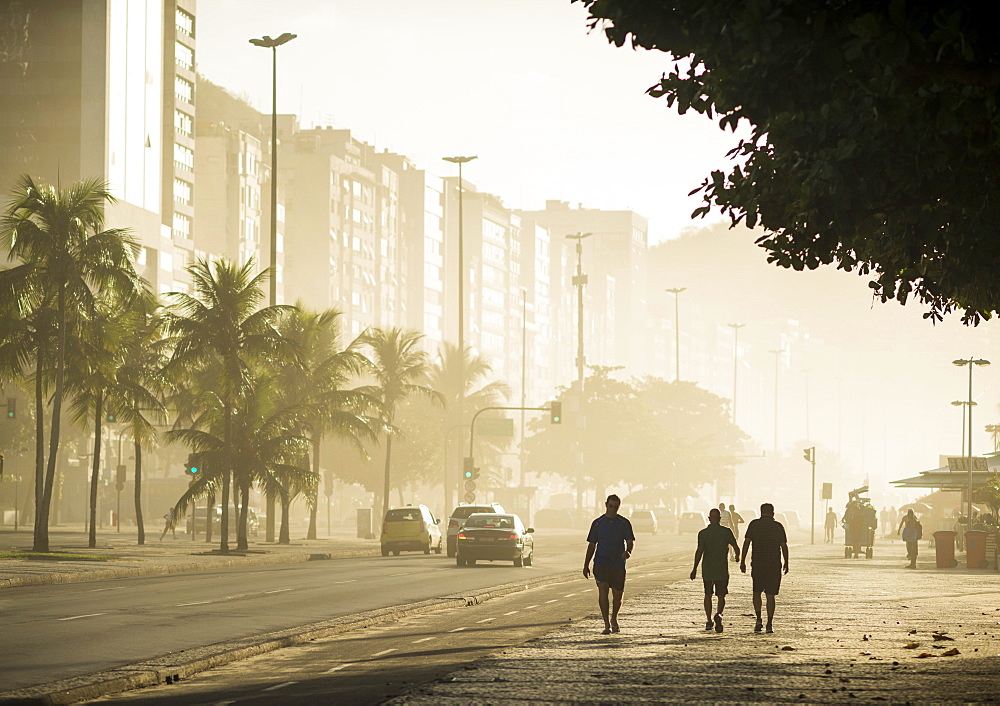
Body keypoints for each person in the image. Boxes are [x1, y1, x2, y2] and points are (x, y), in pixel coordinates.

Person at [584, 494, 635, 635]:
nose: (613, 509)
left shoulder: (624, 523)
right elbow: (592, 544)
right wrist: (586, 564)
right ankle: (606, 623)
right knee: (603, 589)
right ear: (606, 505)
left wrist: (628, 552)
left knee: (618, 596)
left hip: (618, 564)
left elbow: (630, 542)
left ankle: (614, 619)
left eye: (616, 507)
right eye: (611, 506)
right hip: (601, 562)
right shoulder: (598, 523)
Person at [740, 502, 789, 634]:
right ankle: (769, 623)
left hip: (758, 563)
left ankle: (758, 619)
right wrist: (786, 562)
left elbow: (746, 543)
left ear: (760, 512)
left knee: (757, 592)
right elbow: (783, 546)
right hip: (773, 564)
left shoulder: (754, 525)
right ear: (773, 513)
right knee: (770, 595)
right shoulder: (778, 526)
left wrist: (743, 560)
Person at [690, 507, 740, 632]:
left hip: (707, 569)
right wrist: (737, 557)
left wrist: (694, 568)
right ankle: (718, 614)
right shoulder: (726, 532)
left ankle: (708, 620)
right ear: (719, 519)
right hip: (721, 569)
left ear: (709, 519)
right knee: (721, 595)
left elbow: (700, 551)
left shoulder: (703, 533)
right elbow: (736, 547)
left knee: (708, 594)